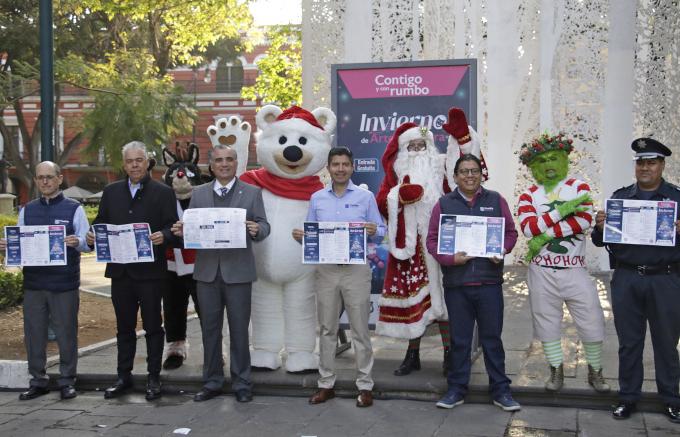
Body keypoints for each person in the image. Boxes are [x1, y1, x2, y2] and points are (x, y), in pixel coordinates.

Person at [375, 108, 485, 377]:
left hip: (444, 246)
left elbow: (464, 168)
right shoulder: (396, 173)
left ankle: (450, 354)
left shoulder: (440, 167)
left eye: (420, 145)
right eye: (411, 146)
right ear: (403, 150)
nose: (416, 150)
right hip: (411, 249)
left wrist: (462, 139)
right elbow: (381, 201)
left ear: (429, 146)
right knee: (415, 301)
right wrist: (398, 197)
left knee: (447, 301)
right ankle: (412, 355)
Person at [171, 144, 270, 403]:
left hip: (238, 273)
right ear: (211, 165)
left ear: (236, 163)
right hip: (206, 274)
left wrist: (256, 229)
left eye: (229, 159)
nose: (224, 164)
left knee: (239, 331)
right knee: (210, 331)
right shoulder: (198, 193)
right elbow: (192, 229)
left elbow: (264, 224)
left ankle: (242, 383)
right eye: (219, 160)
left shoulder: (252, 193)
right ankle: (212, 381)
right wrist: (183, 231)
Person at [592, 138, 680, 423]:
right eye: (640, 162)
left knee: (666, 343)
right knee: (629, 343)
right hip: (627, 278)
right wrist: (600, 226)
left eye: (651, 162)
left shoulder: (677, 199)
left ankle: (671, 399)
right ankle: (628, 398)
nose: (645, 167)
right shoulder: (620, 199)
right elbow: (598, 241)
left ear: (662, 165)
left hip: (665, 279)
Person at [426, 154, 520, 411]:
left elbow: (511, 233)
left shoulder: (496, 200)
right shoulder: (444, 204)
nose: (470, 175)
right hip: (458, 285)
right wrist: (450, 258)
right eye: (464, 171)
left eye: (474, 171)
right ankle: (456, 390)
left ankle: (501, 391)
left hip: (489, 283)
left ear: (481, 174)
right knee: (460, 341)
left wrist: (501, 248)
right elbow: (432, 241)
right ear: (455, 176)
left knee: (492, 339)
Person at [293, 146, 385, 408]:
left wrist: (373, 229)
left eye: (345, 164)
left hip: (356, 270)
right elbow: (311, 234)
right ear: (329, 168)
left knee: (360, 330)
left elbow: (381, 231)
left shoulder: (365, 198)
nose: (341, 169)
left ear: (352, 167)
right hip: (326, 270)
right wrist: (302, 237)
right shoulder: (318, 199)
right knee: (327, 328)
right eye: (336, 164)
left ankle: (365, 386)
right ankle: (326, 384)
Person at [516, 132, 609, 394]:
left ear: (564, 158)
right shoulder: (528, 195)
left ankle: (596, 370)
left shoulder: (578, 187)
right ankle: (555, 371)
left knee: (592, 317)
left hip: (575, 268)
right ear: (533, 165)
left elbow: (584, 221)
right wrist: (561, 211)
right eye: (542, 160)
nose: (548, 165)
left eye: (554, 158)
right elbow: (527, 229)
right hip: (541, 270)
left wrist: (545, 233)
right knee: (546, 320)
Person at [86, 141, 179, 401]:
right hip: (120, 272)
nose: (135, 165)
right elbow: (100, 221)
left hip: (150, 273)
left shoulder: (163, 192)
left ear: (148, 162)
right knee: (124, 328)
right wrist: (93, 234)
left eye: (139, 160)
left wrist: (166, 235)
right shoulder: (111, 191)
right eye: (130, 161)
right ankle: (123, 377)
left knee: (153, 327)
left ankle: (153, 378)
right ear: (124, 164)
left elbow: (174, 226)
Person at [0, 162, 90, 401]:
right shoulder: (27, 210)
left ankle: (67, 381)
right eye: (41, 178)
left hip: (64, 284)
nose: (45, 182)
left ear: (60, 179)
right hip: (34, 284)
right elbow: (18, 243)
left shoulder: (74, 209)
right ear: (37, 180)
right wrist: (8, 246)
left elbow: (87, 241)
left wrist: (77, 242)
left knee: (66, 333)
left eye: (50, 177)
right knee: (34, 334)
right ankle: (37, 380)